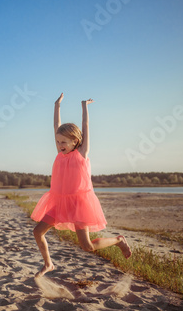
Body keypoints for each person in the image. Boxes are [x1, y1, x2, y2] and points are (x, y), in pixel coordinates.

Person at [31, 93, 131, 277]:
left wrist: (84, 106)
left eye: (63, 142)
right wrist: (56, 105)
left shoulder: (82, 154)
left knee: (87, 246)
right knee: (38, 232)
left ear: (75, 141)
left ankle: (118, 240)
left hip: (79, 204)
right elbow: (55, 125)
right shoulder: (60, 153)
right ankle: (48, 264)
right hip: (58, 202)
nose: (59, 144)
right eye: (58, 141)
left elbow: (85, 125)